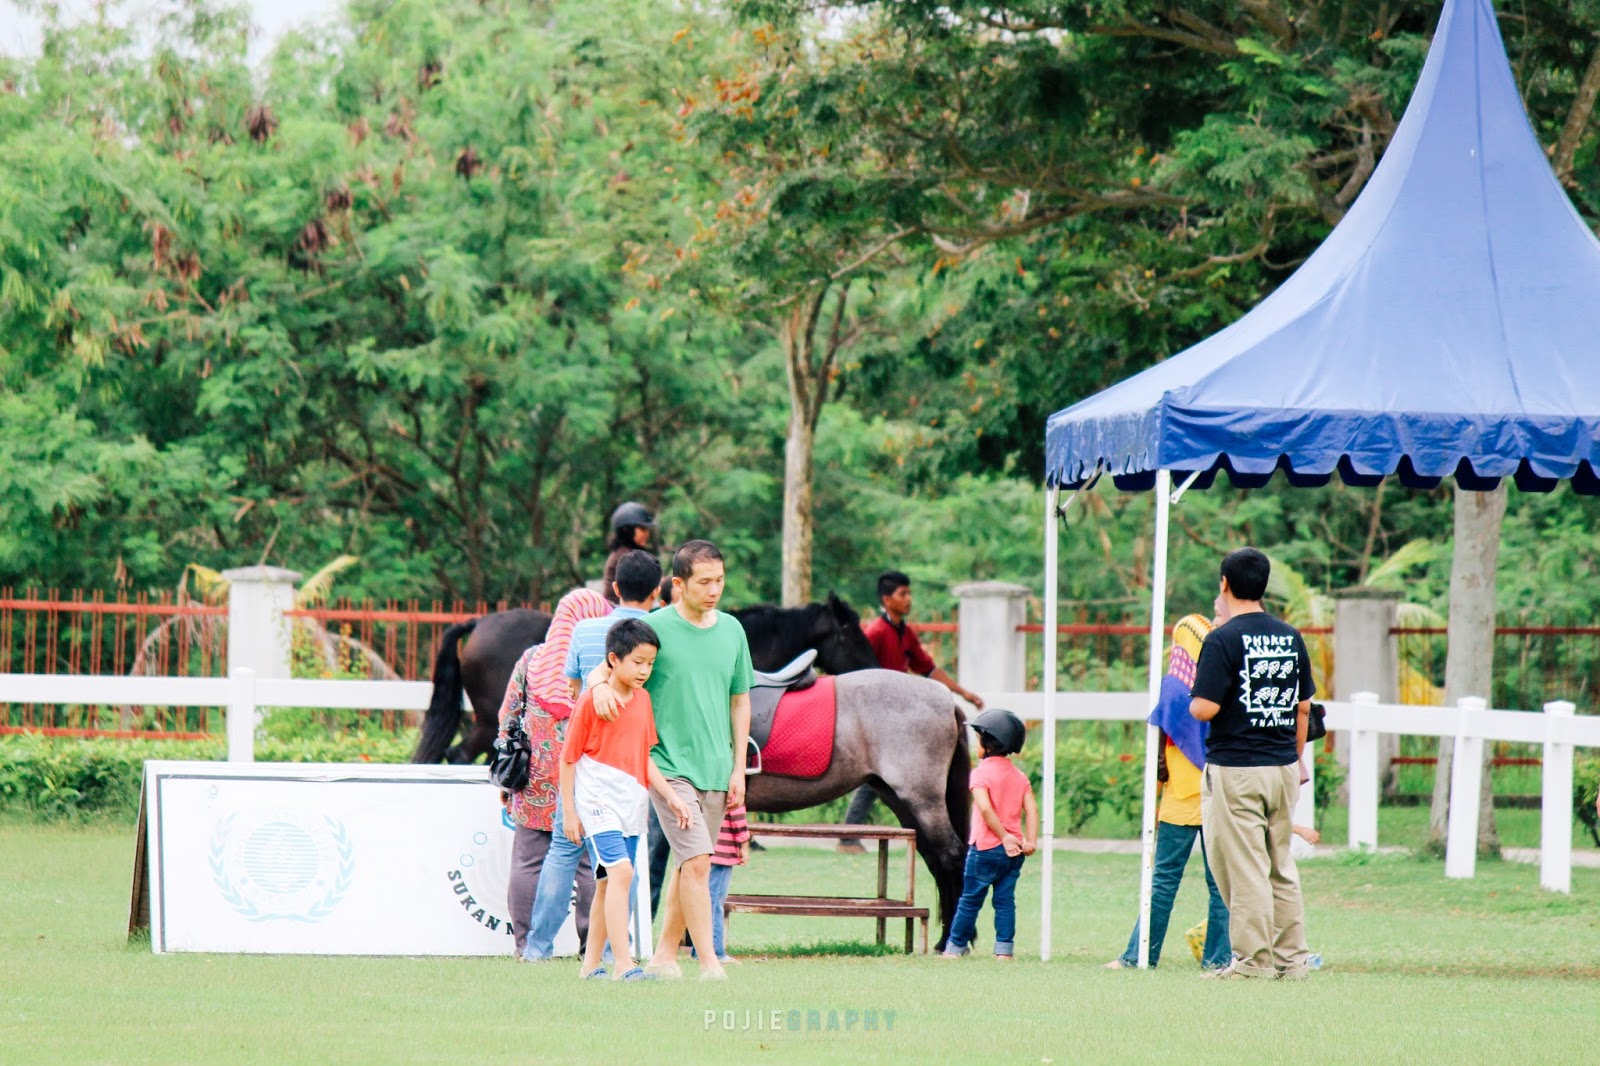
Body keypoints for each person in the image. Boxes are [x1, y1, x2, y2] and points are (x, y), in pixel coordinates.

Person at [588, 539, 753, 980]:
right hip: (667, 764)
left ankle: (664, 954)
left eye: (719, 580)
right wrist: (602, 687)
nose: (714, 589)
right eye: (704, 582)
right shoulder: (655, 627)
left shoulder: (734, 631)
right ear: (677, 584)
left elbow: (740, 702)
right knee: (699, 862)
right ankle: (709, 962)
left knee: (688, 863)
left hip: (717, 768)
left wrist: (738, 768)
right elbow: (608, 667)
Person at [523, 553, 662, 958]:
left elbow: (569, 689)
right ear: (657, 592)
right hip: (626, 766)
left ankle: (536, 949)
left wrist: (595, 684)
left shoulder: (583, 630)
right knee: (621, 863)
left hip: (581, 759)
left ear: (614, 588)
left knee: (562, 855)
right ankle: (616, 949)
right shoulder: (656, 632)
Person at [1189, 547, 1315, 980]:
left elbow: (1203, 709)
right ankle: (1293, 960)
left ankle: (1252, 962)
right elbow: (1303, 708)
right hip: (1282, 766)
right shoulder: (1290, 636)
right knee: (1280, 863)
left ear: (1224, 583)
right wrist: (1295, 759)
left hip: (1238, 768)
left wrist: (1199, 689)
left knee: (1244, 867)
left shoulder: (1221, 639)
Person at [560, 619, 693, 981]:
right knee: (622, 873)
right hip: (598, 802)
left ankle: (590, 966)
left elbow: (644, 758)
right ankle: (624, 965)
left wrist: (671, 798)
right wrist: (570, 813)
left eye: (650, 664)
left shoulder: (644, 700)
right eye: (637, 662)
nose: (644, 671)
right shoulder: (591, 701)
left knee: (608, 882)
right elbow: (568, 758)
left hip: (631, 804)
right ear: (613, 660)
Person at [1104, 613, 1231, 971]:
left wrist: (1160, 773)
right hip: (1218, 792)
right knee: (1220, 884)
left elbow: (1163, 731)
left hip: (1180, 796)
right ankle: (1218, 960)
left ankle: (1138, 956)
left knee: (1162, 881)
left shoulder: (1172, 685)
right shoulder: (1222, 680)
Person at [499, 587, 610, 961]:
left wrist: (506, 771)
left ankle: (526, 945)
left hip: (532, 780)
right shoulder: (599, 667)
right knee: (585, 864)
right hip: (583, 778)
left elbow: (508, 715)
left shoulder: (532, 660)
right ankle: (590, 945)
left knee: (529, 862)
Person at [840, 570, 985, 851]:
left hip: (896, 716)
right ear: (886, 599)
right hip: (874, 716)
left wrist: (964, 693)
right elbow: (856, 674)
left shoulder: (905, 633)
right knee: (877, 777)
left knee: (883, 778)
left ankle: (853, 835)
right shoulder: (875, 632)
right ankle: (850, 836)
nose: (909, 599)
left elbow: (928, 668)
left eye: (909, 593)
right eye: (902, 594)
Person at [942, 709, 1037, 959]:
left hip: (985, 849)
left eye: (978, 739)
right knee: (1005, 902)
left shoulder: (981, 773)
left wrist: (1003, 836)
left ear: (988, 742)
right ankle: (1004, 951)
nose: (976, 744)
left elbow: (984, 807)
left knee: (970, 901)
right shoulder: (1019, 776)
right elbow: (1032, 810)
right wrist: (1029, 841)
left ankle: (954, 948)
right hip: (1014, 851)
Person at [703, 804, 750, 966]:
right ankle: (716, 951)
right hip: (722, 852)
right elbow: (737, 812)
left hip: (704, 850)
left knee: (705, 901)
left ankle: (699, 949)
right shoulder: (730, 782)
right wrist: (744, 843)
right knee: (715, 903)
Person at [601, 502, 656, 605]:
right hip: (620, 611)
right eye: (642, 529)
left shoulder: (624, 553)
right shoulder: (627, 557)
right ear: (628, 530)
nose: (647, 534)